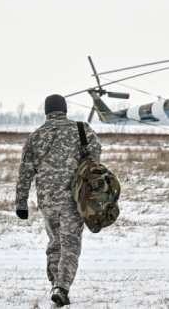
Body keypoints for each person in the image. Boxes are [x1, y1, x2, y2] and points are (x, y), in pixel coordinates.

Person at [16, 94, 102, 307]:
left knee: (55, 243)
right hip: (74, 200)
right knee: (70, 245)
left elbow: (25, 172)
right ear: (65, 110)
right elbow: (95, 155)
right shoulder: (81, 129)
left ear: (46, 112)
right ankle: (61, 288)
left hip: (47, 201)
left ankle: (55, 284)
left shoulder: (35, 136)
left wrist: (21, 204)